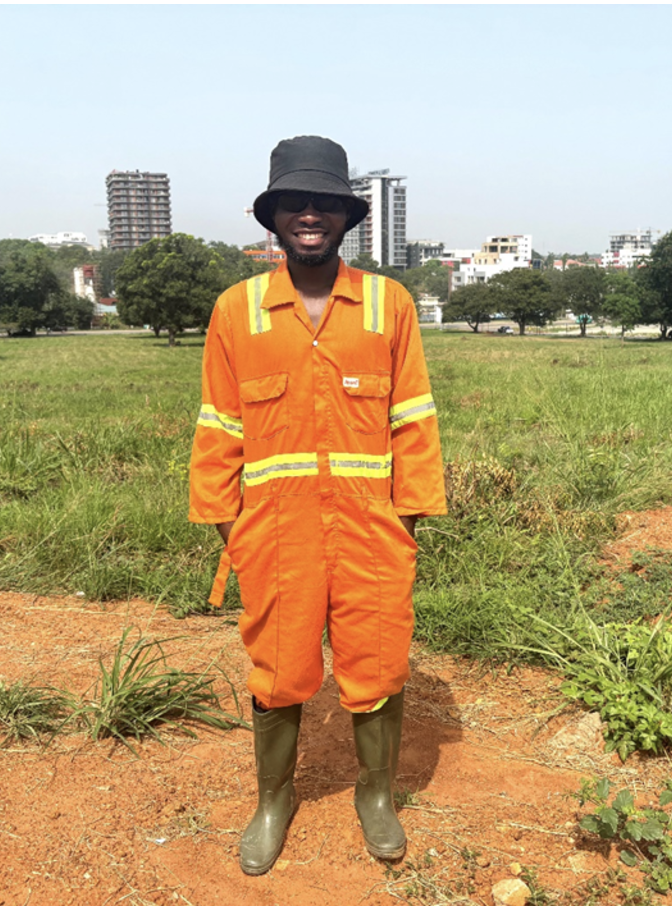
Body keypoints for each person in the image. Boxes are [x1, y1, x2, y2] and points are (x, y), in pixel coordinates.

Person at [188, 135, 446, 875]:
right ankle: (274, 800)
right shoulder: (237, 310)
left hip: (373, 526)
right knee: (279, 665)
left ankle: (375, 795)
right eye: (295, 204)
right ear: (273, 219)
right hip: (275, 528)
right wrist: (231, 526)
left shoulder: (386, 304)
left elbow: (415, 418)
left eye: (325, 203)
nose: (310, 215)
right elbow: (218, 426)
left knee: (377, 659)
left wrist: (407, 518)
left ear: (345, 218)